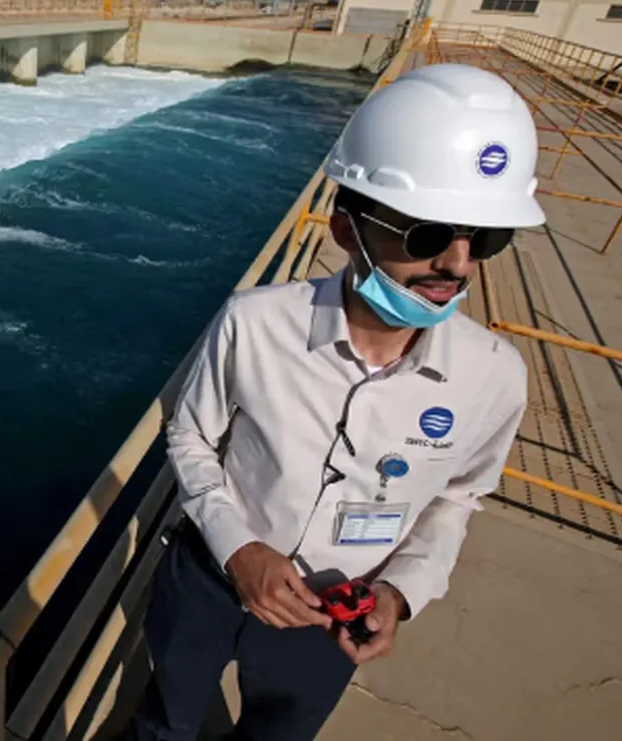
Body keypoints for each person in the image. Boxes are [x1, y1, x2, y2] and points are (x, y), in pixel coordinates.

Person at [130, 62, 545, 741]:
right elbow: (190, 439)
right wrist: (240, 551)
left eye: (486, 238)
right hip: (208, 581)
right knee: (166, 721)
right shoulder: (253, 323)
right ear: (347, 228)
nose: (458, 264)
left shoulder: (496, 376)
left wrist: (403, 589)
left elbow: (459, 496)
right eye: (428, 234)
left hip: (335, 614)